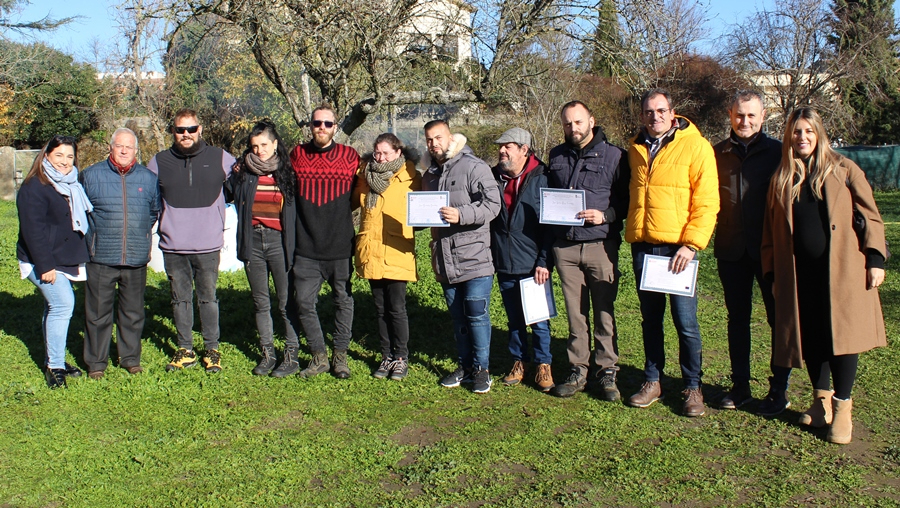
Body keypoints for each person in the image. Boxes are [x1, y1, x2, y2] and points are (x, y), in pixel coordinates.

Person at [761, 107, 887, 444]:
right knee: (812, 336)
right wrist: (772, 272)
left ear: (819, 134)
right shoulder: (782, 178)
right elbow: (770, 234)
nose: (802, 137)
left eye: (808, 131)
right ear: (789, 136)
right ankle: (821, 402)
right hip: (800, 274)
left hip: (843, 272)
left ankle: (843, 408)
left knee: (842, 339)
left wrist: (875, 258)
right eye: (796, 132)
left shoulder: (845, 170)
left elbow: (871, 216)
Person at [626, 89, 719, 417]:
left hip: (679, 249)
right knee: (651, 319)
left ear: (673, 112)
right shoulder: (635, 148)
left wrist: (692, 245)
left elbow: (707, 201)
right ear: (642, 116)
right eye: (649, 112)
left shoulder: (696, 146)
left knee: (686, 322)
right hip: (645, 248)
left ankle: (692, 386)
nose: (655, 117)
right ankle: (653, 379)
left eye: (661, 110)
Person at [713, 90, 792, 414]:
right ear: (730, 114)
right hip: (731, 249)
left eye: (751, 116)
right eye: (739, 115)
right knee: (737, 320)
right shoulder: (715, 153)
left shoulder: (779, 152)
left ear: (764, 117)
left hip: (770, 251)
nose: (745, 121)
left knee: (778, 319)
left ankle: (779, 389)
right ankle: (740, 386)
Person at [545, 101, 631, 399]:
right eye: (568, 124)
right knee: (575, 313)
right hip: (565, 247)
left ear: (591, 121)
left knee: (604, 313)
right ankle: (577, 369)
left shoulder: (616, 156)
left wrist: (605, 215)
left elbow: (628, 201)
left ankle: (607, 371)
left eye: (578, 122)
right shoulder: (556, 155)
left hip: (600, 244)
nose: (573, 128)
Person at [148, 108, 235, 373]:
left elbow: (240, 187)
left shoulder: (221, 158)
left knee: (208, 298)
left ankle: (212, 348)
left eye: (191, 129)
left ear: (200, 129)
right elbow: (147, 198)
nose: (186, 134)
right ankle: (185, 348)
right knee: (179, 299)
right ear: (173, 132)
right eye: (180, 130)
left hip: (208, 244)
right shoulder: (159, 161)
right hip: (173, 245)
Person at [424, 120, 501, 394]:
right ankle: (465, 366)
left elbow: (493, 205)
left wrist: (462, 214)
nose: (434, 144)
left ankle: (482, 370)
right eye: (429, 140)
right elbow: (425, 211)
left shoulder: (474, 166)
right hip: (445, 259)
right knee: (458, 319)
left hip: (475, 258)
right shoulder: (430, 174)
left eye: (439, 137)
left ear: (451, 137)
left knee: (477, 315)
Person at [80, 128, 160, 379]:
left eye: (129, 147)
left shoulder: (148, 178)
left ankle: (130, 358)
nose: (124, 150)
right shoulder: (90, 176)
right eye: (119, 146)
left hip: (135, 257)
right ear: (110, 147)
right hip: (102, 255)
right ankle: (96, 363)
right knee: (97, 313)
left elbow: (153, 212)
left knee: (133, 312)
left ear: (137, 150)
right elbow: (81, 214)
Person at [16, 135, 92, 389]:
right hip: (43, 260)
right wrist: (45, 266)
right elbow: (32, 231)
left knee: (54, 307)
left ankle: (54, 359)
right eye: (59, 155)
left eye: (69, 156)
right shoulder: (34, 187)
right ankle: (55, 367)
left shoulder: (70, 183)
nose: (65, 161)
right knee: (62, 304)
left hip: (61, 256)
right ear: (46, 155)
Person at [227, 120, 301, 377]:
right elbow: (226, 194)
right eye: (254, 146)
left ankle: (291, 354)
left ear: (275, 144)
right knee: (261, 302)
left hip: (279, 242)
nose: (259, 151)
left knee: (285, 301)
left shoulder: (288, 172)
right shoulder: (244, 172)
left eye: (264, 145)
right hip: (253, 242)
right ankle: (268, 353)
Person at [290, 104, 359, 379]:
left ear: (335, 126)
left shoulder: (350, 156)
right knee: (304, 303)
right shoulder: (296, 154)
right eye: (317, 123)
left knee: (343, 301)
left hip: (340, 244)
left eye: (327, 124)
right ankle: (319, 356)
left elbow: (367, 186)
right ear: (310, 125)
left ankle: (340, 357)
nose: (322, 128)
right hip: (305, 246)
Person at [489, 127, 555, 392]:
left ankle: (544, 365)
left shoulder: (543, 177)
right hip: (504, 260)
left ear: (524, 150)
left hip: (533, 262)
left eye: (508, 146)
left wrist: (544, 260)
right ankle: (519, 361)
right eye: (500, 146)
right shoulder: (494, 177)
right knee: (514, 318)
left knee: (538, 318)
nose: (502, 151)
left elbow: (551, 225)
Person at [352, 133, 422, 381]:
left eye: (386, 153)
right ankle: (386, 356)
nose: (380, 158)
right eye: (377, 153)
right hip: (370, 249)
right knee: (380, 309)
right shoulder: (364, 175)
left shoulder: (411, 178)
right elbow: (352, 204)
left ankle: (401, 358)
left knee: (397, 308)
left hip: (396, 251)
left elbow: (424, 211)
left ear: (398, 153)